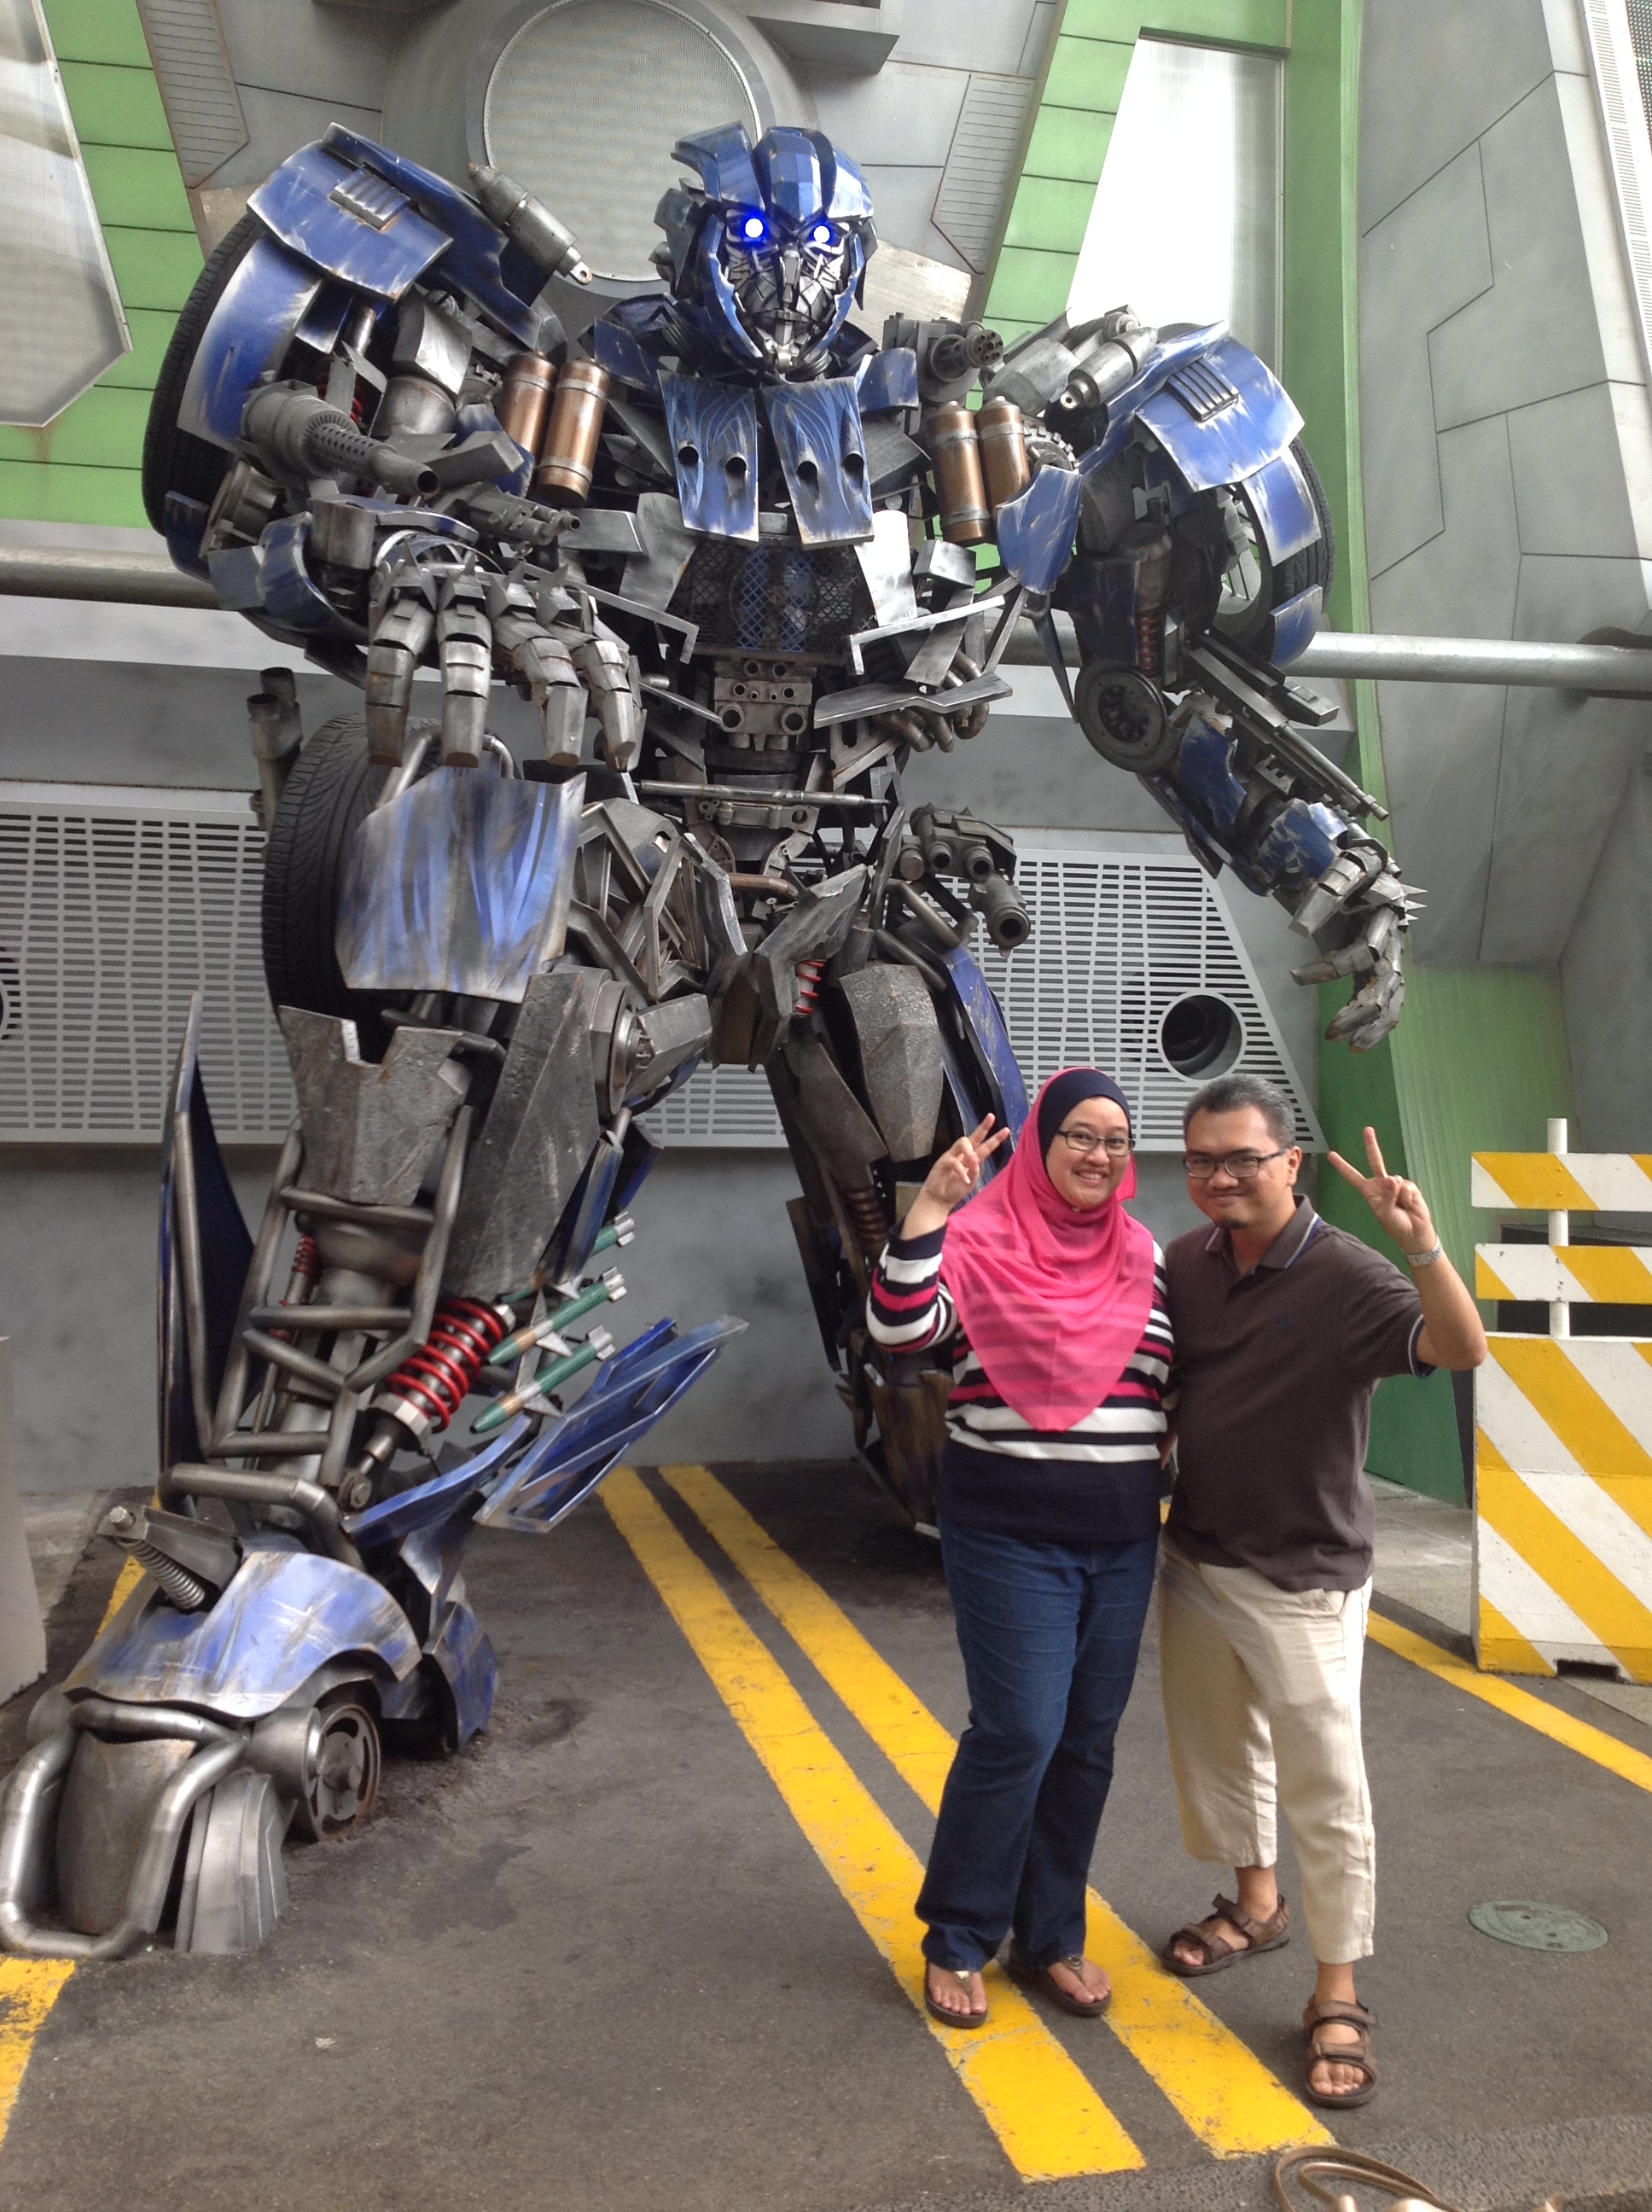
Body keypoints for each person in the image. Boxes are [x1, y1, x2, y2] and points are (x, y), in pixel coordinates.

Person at [1155, 1072, 1486, 2108]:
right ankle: (1256, 1906)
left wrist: (1422, 1247)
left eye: (1242, 1159)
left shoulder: (1346, 1272)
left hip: (1305, 1575)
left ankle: (1336, 1990)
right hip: (1196, 1556)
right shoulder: (1186, 1262)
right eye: (1201, 1161)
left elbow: (1460, 1347)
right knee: (1216, 1753)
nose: (1220, 1178)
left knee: (1325, 1788)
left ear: (1288, 1162)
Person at [866, 1068, 1174, 2029]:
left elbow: (1174, 1381)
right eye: (1079, 1134)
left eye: (1115, 1140)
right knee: (1021, 1734)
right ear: (1041, 1143)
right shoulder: (979, 1240)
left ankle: (1049, 1936)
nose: (1098, 1154)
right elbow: (899, 1333)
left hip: (1121, 1540)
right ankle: (960, 1935)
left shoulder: (1145, 1254)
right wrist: (929, 1209)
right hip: (1007, 1535)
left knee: (1085, 1743)